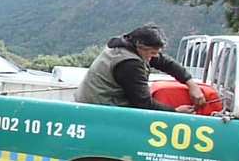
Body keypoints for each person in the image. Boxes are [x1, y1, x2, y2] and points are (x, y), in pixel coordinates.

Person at [76, 24, 206, 112]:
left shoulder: (130, 46)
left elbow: (166, 63)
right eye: (152, 52)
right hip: (100, 109)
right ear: (139, 45)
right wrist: (175, 112)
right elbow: (144, 104)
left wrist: (191, 83)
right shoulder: (129, 64)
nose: (154, 57)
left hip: (89, 102)